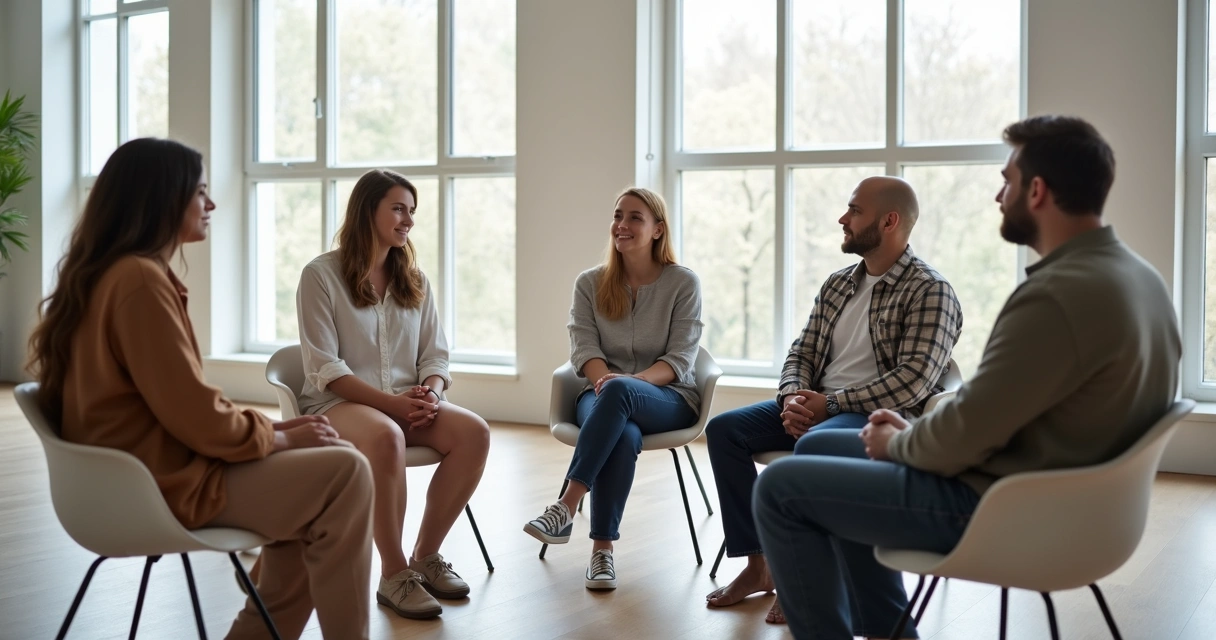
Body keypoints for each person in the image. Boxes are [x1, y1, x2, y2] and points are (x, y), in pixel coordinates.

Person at [753, 115, 1183, 640]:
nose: (999, 196)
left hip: (1007, 508)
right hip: (1078, 506)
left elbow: (965, 435)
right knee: (821, 452)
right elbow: (993, 411)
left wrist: (899, 441)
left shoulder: (1054, 296)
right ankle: (889, 631)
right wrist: (905, 436)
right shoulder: (1141, 279)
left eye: (1008, 181)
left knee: (779, 487)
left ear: (1038, 191)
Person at [26, 138, 374, 640]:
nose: (211, 205)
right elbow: (196, 417)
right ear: (162, 199)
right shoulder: (139, 283)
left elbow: (182, 408)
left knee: (321, 476)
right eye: (201, 193)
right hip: (159, 483)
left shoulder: (118, 275)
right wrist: (277, 438)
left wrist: (275, 432)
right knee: (345, 471)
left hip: (140, 474)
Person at [704, 176, 962, 624]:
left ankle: (802, 576)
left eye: (854, 211)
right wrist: (792, 398)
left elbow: (914, 382)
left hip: (876, 415)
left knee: (813, 446)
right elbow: (801, 352)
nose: (842, 219)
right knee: (724, 430)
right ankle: (759, 565)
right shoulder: (839, 283)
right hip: (821, 404)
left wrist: (832, 405)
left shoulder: (930, 290)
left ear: (889, 221)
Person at [295, 169, 490, 620]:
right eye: (398, 209)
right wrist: (394, 405)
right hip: (338, 406)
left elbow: (435, 357)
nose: (409, 220)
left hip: (406, 403)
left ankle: (426, 555)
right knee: (386, 436)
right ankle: (393, 573)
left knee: (474, 433)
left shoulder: (415, 279)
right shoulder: (320, 275)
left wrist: (431, 395)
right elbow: (326, 367)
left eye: (412, 211)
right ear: (369, 211)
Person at [522, 187, 702, 590]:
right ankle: (602, 553)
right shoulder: (590, 283)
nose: (622, 225)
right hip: (602, 398)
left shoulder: (683, 283)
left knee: (620, 396)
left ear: (658, 229)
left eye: (635, 217)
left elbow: (679, 360)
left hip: (668, 398)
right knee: (622, 433)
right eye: (618, 215)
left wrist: (626, 383)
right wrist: (608, 381)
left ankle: (566, 506)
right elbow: (583, 347)